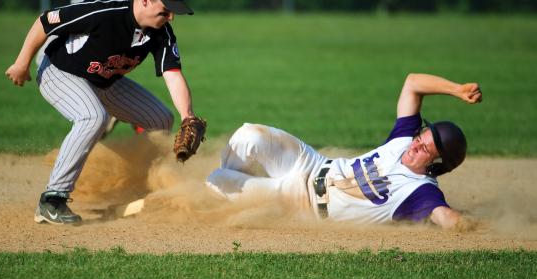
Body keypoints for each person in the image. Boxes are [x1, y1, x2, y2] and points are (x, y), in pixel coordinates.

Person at [6, 0, 200, 226]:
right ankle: (52, 200)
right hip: (59, 71)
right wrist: (22, 63)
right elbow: (46, 20)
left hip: (105, 81)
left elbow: (172, 74)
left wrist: (188, 116)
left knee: (160, 119)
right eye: (166, 9)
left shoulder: (161, 33)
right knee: (93, 117)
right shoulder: (105, 12)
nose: (171, 16)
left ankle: (139, 188)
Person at [206, 73, 483, 229]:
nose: (416, 144)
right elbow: (412, 83)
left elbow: (446, 218)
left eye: (425, 149)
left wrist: (469, 225)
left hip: (301, 202)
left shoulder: (419, 191)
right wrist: (456, 90)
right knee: (249, 135)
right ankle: (243, 186)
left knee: (216, 183)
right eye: (421, 137)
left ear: (437, 165)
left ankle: (241, 192)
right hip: (310, 163)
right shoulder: (401, 141)